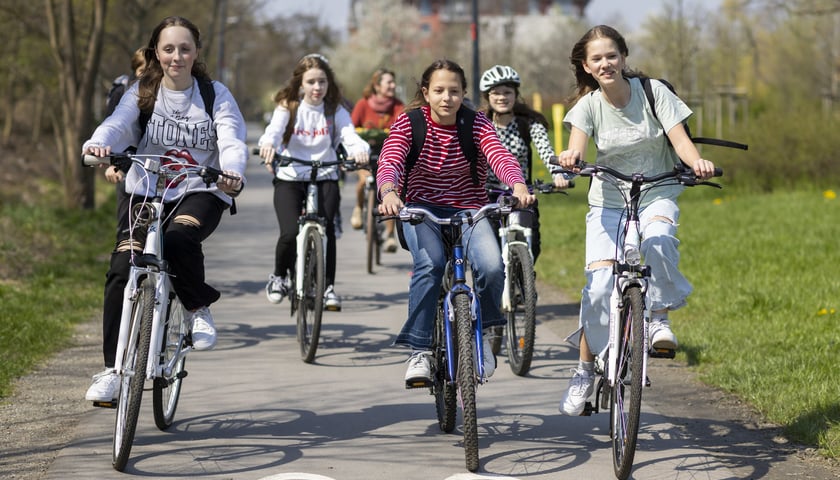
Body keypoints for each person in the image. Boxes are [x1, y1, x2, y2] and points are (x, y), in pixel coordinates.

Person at [82, 16, 248, 403]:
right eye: (169, 48)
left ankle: (196, 307)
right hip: (147, 187)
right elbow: (117, 124)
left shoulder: (214, 93)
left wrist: (232, 172)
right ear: (156, 52)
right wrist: (97, 144)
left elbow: (231, 137)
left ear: (196, 52)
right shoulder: (143, 91)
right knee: (123, 268)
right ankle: (111, 370)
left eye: (185, 48)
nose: (177, 56)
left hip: (199, 188)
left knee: (178, 238)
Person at [556, 25, 717, 415]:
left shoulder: (653, 92)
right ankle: (583, 370)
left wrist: (696, 162)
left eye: (612, 55)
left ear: (624, 57)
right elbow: (577, 145)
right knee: (597, 289)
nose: (606, 63)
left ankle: (658, 318)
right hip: (609, 202)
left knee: (658, 240)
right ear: (587, 66)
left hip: (656, 192)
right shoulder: (589, 106)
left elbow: (678, 138)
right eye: (597, 58)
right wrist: (571, 159)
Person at [376, 59, 535, 385]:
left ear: (464, 93)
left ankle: (485, 336)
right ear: (426, 92)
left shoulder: (476, 123)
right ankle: (419, 350)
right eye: (439, 91)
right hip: (422, 211)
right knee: (431, 264)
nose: (446, 98)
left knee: (491, 266)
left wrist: (517, 185)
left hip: (470, 212)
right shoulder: (409, 122)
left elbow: (499, 156)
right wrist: (389, 192)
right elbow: (391, 158)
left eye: (454, 91)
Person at [258, 53, 370, 311]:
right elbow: (273, 133)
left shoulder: (335, 110)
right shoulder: (289, 106)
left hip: (325, 174)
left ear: (329, 84)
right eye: (311, 82)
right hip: (290, 175)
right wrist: (267, 146)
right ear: (300, 84)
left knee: (327, 230)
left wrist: (359, 150)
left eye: (322, 82)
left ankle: (328, 286)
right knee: (288, 233)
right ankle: (279, 276)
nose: (317, 88)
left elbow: (348, 135)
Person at [478, 64, 569, 262]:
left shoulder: (528, 123)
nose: (502, 97)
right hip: (487, 193)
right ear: (487, 97)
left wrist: (557, 173)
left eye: (507, 92)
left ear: (516, 94)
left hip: (521, 193)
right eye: (496, 93)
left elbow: (546, 151)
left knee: (532, 244)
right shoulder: (480, 124)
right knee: (488, 251)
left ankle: (524, 282)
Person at [350, 68, 405, 252]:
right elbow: (351, 128)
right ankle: (358, 208)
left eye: (393, 82)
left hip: (388, 154)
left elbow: (402, 128)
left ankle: (390, 235)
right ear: (377, 85)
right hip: (365, 154)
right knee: (364, 180)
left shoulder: (397, 106)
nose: (393, 86)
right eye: (388, 82)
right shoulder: (363, 105)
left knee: (390, 191)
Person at [103, 47, 147, 225]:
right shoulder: (124, 93)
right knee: (128, 226)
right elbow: (111, 127)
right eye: (142, 71)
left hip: (158, 168)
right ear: (134, 71)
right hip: (127, 164)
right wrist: (112, 164)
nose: (146, 77)